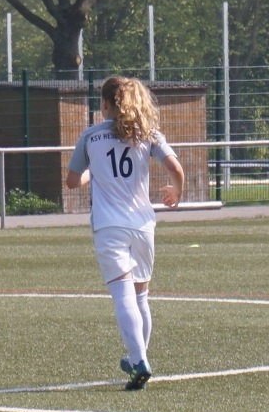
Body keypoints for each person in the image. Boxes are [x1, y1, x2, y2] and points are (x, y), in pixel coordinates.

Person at [65, 76, 185, 390]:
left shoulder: (91, 136)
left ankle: (139, 359)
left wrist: (94, 173)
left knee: (122, 295)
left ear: (104, 104)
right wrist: (177, 192)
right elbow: (176, 168)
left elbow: (72, 181)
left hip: (109, 225)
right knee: (141, 296)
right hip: (143, 224)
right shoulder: (147, 133)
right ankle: (136, 360)